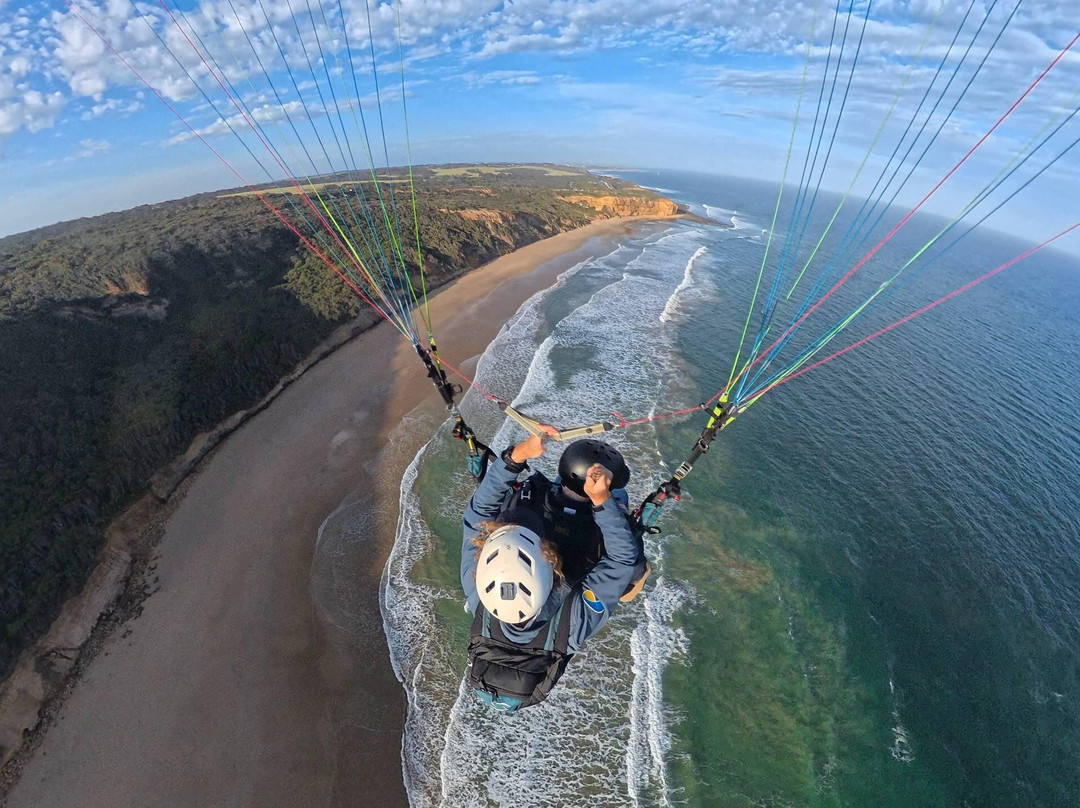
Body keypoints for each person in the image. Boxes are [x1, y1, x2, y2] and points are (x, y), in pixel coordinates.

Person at [460, 431, 642, 711]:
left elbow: (478, 515)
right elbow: (623, 561)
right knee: (633, 574)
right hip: (570, 588)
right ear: (551, 567)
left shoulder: (478, 588)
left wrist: (516, 457)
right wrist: (603, 500)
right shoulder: (572, 626)